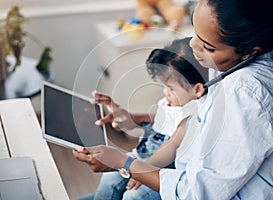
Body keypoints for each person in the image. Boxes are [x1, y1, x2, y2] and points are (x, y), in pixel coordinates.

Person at [73, 0, 273, 199]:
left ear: (249, 52)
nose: (193, 45)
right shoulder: (230, 64)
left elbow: (196, 193)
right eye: (195, 32)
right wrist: (137, 119)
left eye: (208, 46)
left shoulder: (245, 96)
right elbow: (190, 122)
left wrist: (125, 163)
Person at [77, 37, 207, 200]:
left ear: (197, 90)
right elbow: (163, 118)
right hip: (143, 157)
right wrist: (133, 118)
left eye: (171, 88)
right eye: (164, 86)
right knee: (111, 178)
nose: (165, 92)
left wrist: (139, 169)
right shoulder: (178, 100)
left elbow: (170, 146)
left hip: (160, 166)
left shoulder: (194, 114)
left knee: (130, 193)